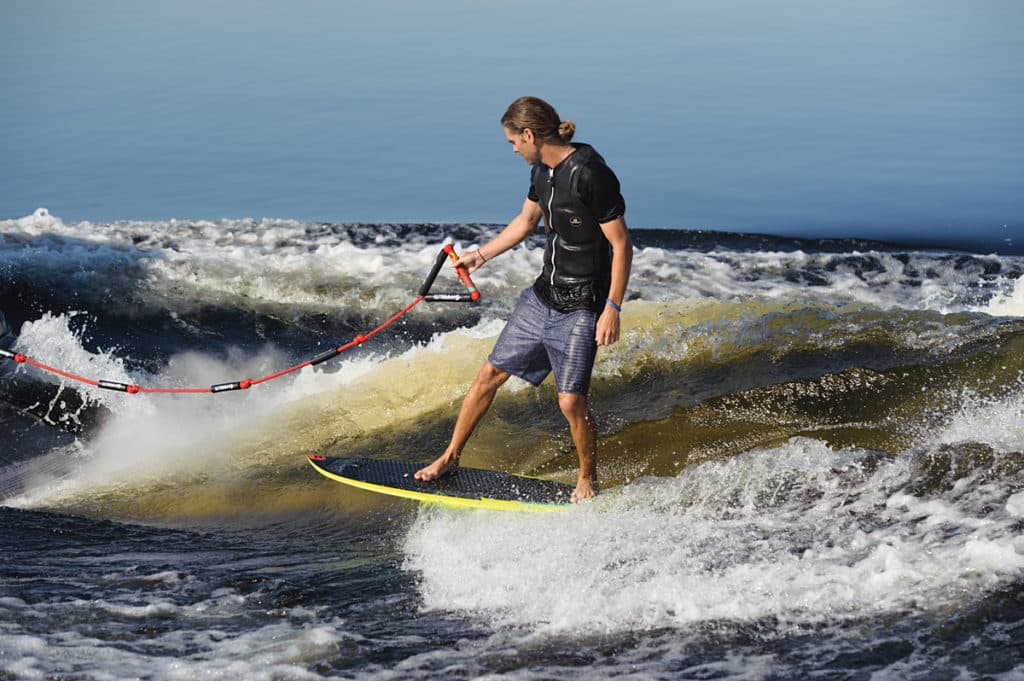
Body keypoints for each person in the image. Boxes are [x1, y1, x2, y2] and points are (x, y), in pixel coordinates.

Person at [415, 96, 632, 502]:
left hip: (583, 306)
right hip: (543, 296)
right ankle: (449, 457)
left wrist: (612, 309)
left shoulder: (591, 175)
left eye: (513, 141)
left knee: (570, 402)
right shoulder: (541, 171)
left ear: (530, 135)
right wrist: (483, 253)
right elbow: (527, 220)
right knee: (487, 377)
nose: (513, 148)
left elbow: (621, 245)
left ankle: (588, 478)